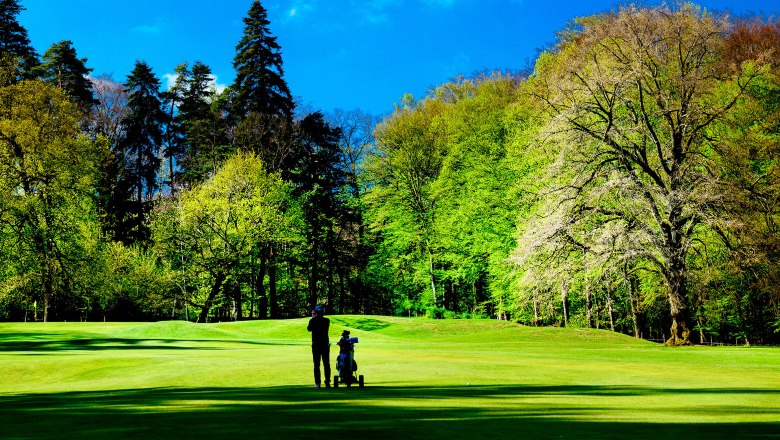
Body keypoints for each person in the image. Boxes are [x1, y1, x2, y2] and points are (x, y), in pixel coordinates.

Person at [307, 305, 330, 388]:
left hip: (316, 344)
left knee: (317, 364)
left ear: (315, 312)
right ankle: (327, 382)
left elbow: (309, 329)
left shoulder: (312, 320)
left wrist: (313, 317)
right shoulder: (327, 320)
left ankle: (317, 383)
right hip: (325, 344)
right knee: (326, 364)